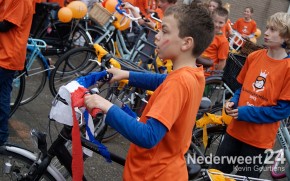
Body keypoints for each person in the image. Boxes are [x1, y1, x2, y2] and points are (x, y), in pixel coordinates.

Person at [85, 4, 214, 180]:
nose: (157, 36)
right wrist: (127, 74)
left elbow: (148, 136)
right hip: (169, 168)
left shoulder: (179, 82)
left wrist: (105, 105)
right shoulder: (193, 74)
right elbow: (162, 80)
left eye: (165, 31)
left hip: (151, 174)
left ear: (186, 43)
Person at [213, 12, 290, 178]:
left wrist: (245, 112)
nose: (267, 32)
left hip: (258, 142)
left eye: (273, 30)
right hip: (234, 132)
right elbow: (242, 89)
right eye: (267, 28)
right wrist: (233, 101)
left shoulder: (288, 69)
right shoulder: (254, 57)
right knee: (217, 174)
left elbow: (282, 111)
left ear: (287, 38)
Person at [0, 0, 33, 145]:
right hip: (5, 53)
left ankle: (1, 135)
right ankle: (1, 136)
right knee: (2, 96)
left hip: (7, 55)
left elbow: (5, 26)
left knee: (2, 96)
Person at [201, 7, 229, 71]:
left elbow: (222, 62)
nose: (217, 24)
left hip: (206, 72)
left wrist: (215, 74)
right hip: (195, 66)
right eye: (215, 21)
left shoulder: (223, 41)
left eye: (220, 22)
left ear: (225, 23)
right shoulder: (205, 32)